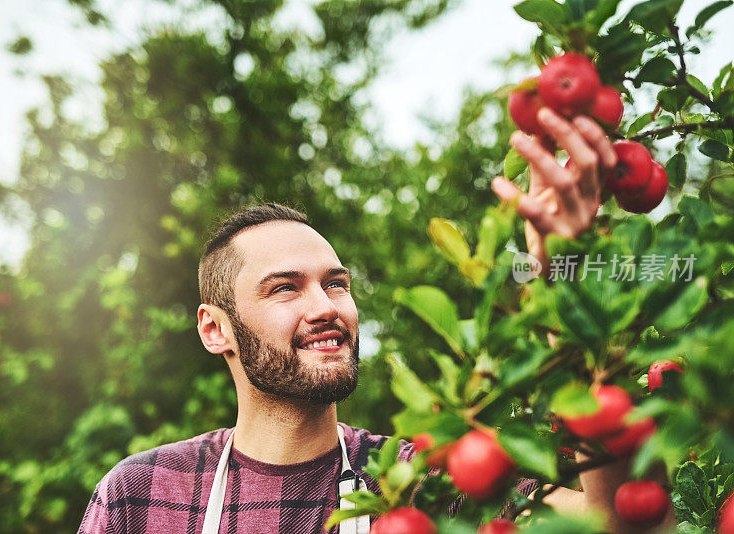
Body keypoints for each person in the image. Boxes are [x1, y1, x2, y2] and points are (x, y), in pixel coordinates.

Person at [78, 108, 669, 533]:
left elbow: (622, 522)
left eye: (337, 284)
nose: (327, 306)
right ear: (216, 329)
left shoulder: (429, 485)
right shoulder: (144, 496)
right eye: (286, 288)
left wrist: (569, 291)